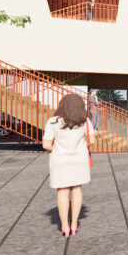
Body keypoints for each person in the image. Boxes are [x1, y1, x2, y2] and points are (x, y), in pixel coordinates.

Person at [43, 94, 93, 237]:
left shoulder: (52, 121)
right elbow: (92, 141)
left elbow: (46, 144)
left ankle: (64, 226)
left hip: (60, 161)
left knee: (62, 192)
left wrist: (58, 150)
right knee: (77, 190)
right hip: (79, 160)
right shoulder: (85, 121)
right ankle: (74, 224)